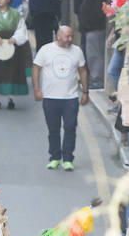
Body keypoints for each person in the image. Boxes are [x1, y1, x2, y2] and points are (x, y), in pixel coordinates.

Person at [33, 25, 90, 170]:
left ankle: (68, 158)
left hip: (70, 97)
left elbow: (82, 71)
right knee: (53, 129)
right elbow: (36, 68)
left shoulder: (77, 51)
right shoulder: (46, 50)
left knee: (70, 127)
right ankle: (55, 157)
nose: (70, 39)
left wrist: (85, 92)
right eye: (67, 37)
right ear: (59, 36)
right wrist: (37, 89)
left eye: (71, 36)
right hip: (50, 97)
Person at [77, 0, 108, 89]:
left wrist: (89, 23)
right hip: (90, 28)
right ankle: (94, 78)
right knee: (91, 54)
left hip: (95, 27)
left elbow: (98, 9)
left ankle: (97, 79)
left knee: (95, 54)